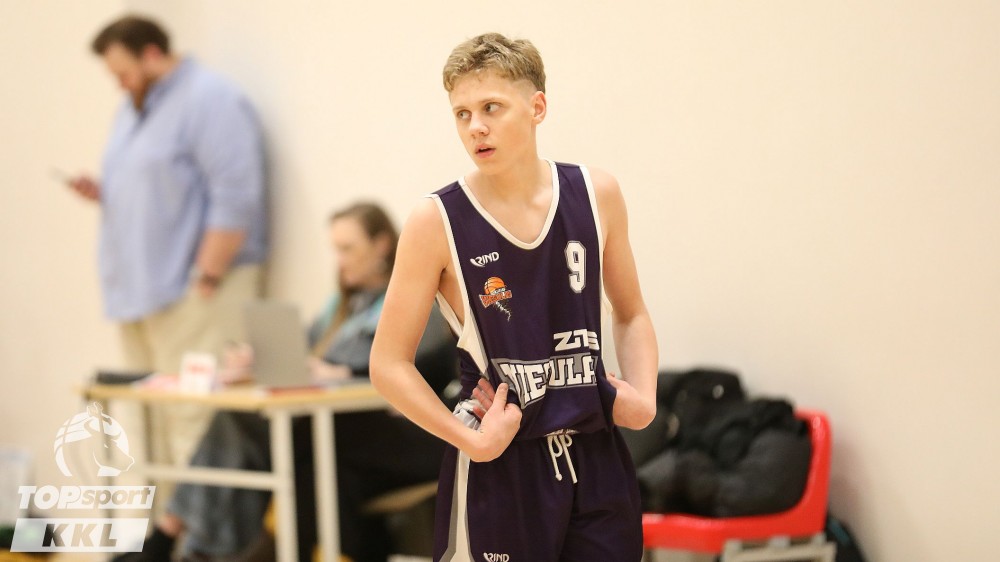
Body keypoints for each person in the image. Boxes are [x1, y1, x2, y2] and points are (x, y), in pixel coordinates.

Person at [369, 33, 659, 561]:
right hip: (503, 462)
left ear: (537, 108)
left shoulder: (597, 194)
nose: (475, 127)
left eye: (491, 108)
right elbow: (388, 364)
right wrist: (470, 441)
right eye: (462, 114)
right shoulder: (435, 220)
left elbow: (631, 311)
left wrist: (645, 397)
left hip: (595, 456)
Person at [124, 203, 455, 562]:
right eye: (335, 249)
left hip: (383, 426)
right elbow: (304, 357)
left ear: (381, 245)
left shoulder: (413, 301)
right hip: (329, 423)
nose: (339, 260)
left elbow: (416, 369)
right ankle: (203, 549)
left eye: (347, 249)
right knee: (285, 453)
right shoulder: (339, 306)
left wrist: (344, 373)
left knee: (254, 432)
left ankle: (185, 543)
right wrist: (261, 359)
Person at [67, 15, 268, 475]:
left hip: (195, 292)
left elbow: (236, 194)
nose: (119, 84)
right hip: (140, 295)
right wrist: (105, 191)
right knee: (150, 426)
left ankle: (196, 524)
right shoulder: (133, 109)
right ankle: (160, 523)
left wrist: (208, 274)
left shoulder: (210, 98)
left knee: (195, 421)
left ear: (153, 54)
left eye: (124, 72)